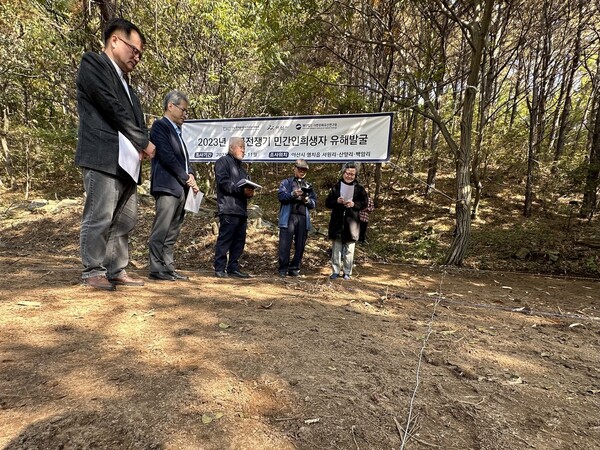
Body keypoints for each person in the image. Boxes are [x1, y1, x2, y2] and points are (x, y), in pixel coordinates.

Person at [75, 18, 156, 291]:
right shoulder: (93, 64)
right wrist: (143, 141)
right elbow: (110, 107)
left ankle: (115, 268)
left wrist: (140, 145)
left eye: (141, 54)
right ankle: (92, 270)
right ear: (115, 40)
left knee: (125, 219)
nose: (137, 57)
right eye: (134, 49)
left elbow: (134, 119)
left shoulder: (130, 88)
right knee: (100, 215)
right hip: (102, 154)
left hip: (127, 162)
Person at [148, 90, 199, 282]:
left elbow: (184, 158)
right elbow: (167, 156)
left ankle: (168, 268)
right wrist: (186, 177)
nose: (185, 114)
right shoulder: (160, 127)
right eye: (183, 110)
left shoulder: (178, 132)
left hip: (181, 188)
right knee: (161, 229)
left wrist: (191, 174)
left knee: (173, 230)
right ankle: (156, 268)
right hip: (167, 186)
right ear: (171, 106)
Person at [213, 137, 255, 278]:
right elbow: (223, 182)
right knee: (225, 239)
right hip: (228, 208)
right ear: (231, 148)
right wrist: (240, 190)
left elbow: (245, 190)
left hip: (241, 210)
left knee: (239, 240)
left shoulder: (243, 170)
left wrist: (249, 192)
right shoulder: (222, 162)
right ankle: (219, 268)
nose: (243, 150)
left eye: (244, 147)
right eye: (240, 146)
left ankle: (233, 268)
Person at [325, 162, 368, 280]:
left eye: (352, 174)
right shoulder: (336, 187)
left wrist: (354, 204)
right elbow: (327, 203)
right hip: (337, 221)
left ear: (355, 176)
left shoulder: (360, 189)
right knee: (336, 248)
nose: (349, 176)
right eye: (348, 173)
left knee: (350, 249)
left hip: (352, 222)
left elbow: (365, 203)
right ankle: (335, 271)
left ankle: (347, 272)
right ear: (343, 173)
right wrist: (337, 201)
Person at [277, 159, 317, 277]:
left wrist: (307, 200)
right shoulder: (286, 182)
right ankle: (283, 269)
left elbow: (314, 203)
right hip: (288, 216)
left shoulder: (309, 185)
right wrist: (293, 194)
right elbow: (281, 196)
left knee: (300, 245)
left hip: (303, 217)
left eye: (304, 170)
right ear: (295, 169)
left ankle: (295, 268)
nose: (302, 172)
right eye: (300, 169)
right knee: (285, 244)